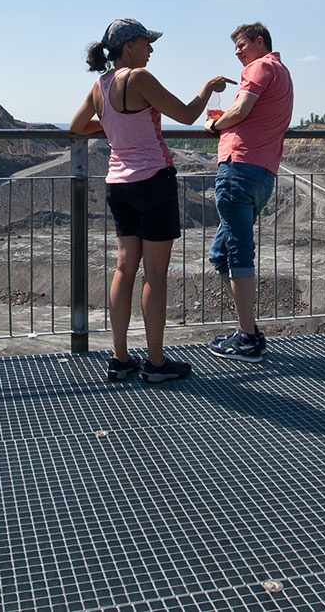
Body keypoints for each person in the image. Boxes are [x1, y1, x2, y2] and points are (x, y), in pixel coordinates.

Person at [71, 19, 231, 384]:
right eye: (147, 42)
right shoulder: (138, 79)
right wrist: (208, 88)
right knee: (155, 275)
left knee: (124, 269)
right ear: (129, 46)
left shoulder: (101, 85)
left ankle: (120, 358)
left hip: (118, 185)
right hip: (153, 181)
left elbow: (77, 126)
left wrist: (112, 125)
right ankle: (156, 363)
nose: (151, 50)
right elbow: (189, 115)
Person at [202, 21, 294, 362]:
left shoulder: (259, 67)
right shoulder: (281, 71)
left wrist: (213, 124)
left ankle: (249, 339)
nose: (237, 52)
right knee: (221, 254)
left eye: (241, 45)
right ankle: (247, 330)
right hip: (261, 174)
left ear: (259, 41)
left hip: (238, 169)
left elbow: (240, 110)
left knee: (238, 253)